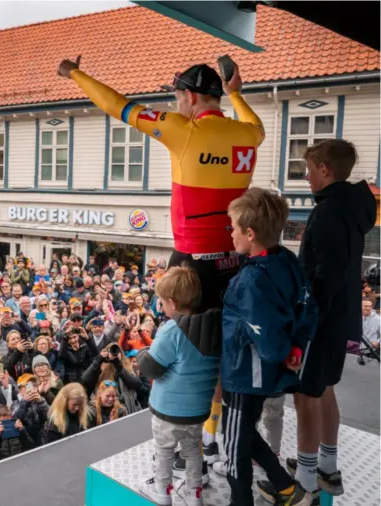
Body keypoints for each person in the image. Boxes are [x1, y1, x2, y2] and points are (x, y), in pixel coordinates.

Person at [59, 55, 265, 450]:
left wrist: (75, 73)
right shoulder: (248, 133)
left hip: (192, 258)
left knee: (184, 345)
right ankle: (217, 427)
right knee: (221, 344)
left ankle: (193, 428)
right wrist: (236, 94)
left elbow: (115, 105)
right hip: (234, 259)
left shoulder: (181, 129)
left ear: (189, 97)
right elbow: (256, 126)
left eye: (176, 98)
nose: (174, 106)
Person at [290, 140, 377, 499]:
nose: (306, 178)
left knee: (305, 396)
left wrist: (305, 315)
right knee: (324, 388)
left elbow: (326, 273)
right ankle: (326, 467)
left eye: (309, 170)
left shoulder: (327, 211)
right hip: (341, 318)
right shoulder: (353, 208)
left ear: (325, 169)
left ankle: (306, 480)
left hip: (320, 321)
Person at [219, 188, 317, 506]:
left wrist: (281, 352)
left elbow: (267, 333)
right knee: (244, 432)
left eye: (232, 227)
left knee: (234, 447)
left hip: (245, 375)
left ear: (249, 233)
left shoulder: (248, 281)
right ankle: (285, 487)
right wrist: (296, 349)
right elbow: (308, 307)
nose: (229, 233)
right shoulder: (286, 259)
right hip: (262, 376)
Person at [136, 266, 220, 505]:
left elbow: (152, 367)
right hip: (198, 411)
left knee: (164, 450)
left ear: (171, 302)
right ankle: (194, 494)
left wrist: (142, 353)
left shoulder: (171, 330)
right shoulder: (213, 327)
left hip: (169, 409)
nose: (160, 307)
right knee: (193, 449)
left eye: (161, 302)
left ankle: (162, 491)